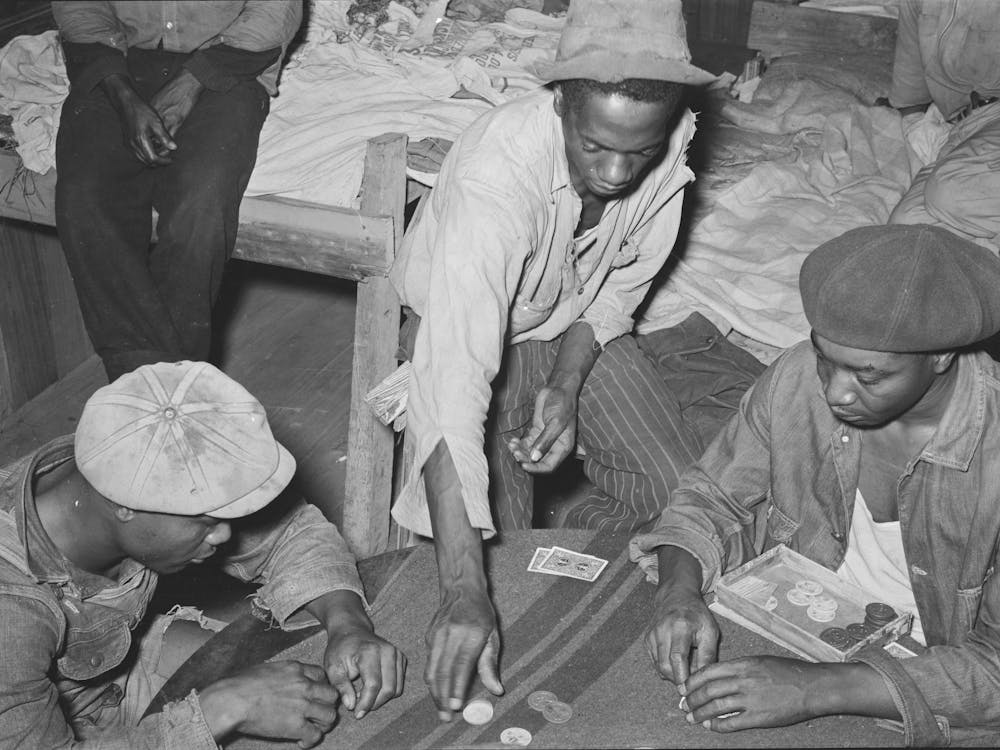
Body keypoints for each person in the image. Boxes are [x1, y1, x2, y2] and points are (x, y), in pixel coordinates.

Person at [388, 0, 725, 723]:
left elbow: (619, 288)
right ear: (561, 106)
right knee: (500, 554)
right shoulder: (496, 179)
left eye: (638, 152)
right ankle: (538, 529)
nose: (615, 173)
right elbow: (452, 382)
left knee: (681, 503)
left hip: (571, 325)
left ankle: (571, 507)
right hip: (473, 337)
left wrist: (568, 384)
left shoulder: (670, 142)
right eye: (595, 146)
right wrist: (461, 591)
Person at [634, 224, 1000, 746]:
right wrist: (677, 592)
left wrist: (814, 690)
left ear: (941, 356)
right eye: (825, 360)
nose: (835, 393)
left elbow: (992, 674)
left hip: (923, 683)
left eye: (868, 377)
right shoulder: (797, 376)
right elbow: (710, 495)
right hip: (787, 625)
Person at [0, 360, 406, 748]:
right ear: (122, 505)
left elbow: (290, 533)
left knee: (315, 675)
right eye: (206, 520)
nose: (226, 535)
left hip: (112, 679)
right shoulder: (11, 612)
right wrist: (225, 707)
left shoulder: (119, 468)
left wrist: (347, 623)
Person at [52, 2, 302, 381]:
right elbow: (79, 7)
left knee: (201, 202)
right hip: (116, 67)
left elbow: (275, 12)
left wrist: (191, 83)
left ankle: (143, 387)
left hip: (227, 67)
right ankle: (167, 382)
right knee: (84, 198)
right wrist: (121, 94)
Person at [887, 0, 1000, 254]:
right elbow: (910, 90)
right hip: (967, 124)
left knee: (950, 193)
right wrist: (919, 127)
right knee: (907, 227)